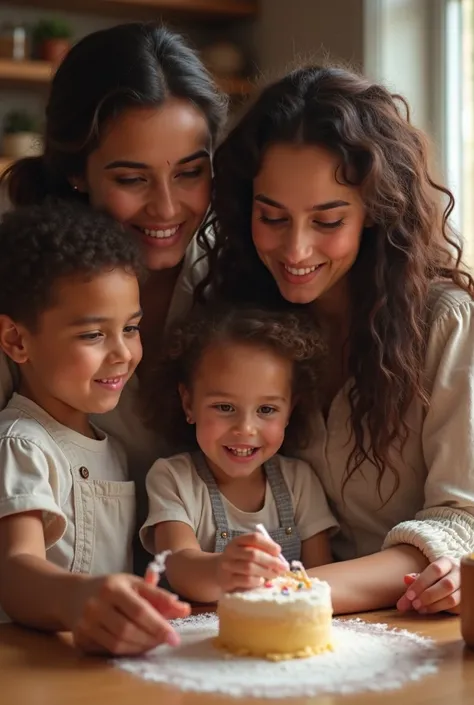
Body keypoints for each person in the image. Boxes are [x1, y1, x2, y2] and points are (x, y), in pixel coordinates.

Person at [200, 64, 474, 615]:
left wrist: (289, 594)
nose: (296, 250)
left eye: (327, 221)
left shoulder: (445, 324)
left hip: (400, 632)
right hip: (266, 627)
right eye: (272, 217)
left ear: (375, 212)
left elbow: (461, 522)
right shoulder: (237, 325)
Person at [0, 21, 226, 486]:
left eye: (190, 173)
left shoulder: (238, 271)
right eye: (131, 179)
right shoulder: (20, 283)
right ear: (76, 172)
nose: (166, 208)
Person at [0, 200, 190, 654]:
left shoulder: (115, 451)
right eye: (92, 335)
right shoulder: (20, 444)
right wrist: (77, 598)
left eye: (131, 328)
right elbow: (14, 566)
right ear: (17, 340)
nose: (123, 353)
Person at [140, 308, 337, 603]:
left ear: (289, 412)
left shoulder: (299, 482)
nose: (245, 429)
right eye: (224, 407)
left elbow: (321, 580)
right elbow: (178, 565)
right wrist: (223, 569)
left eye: (266, 410)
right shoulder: (172, 477)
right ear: (189, 403)